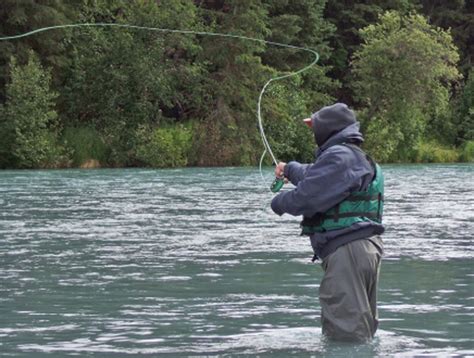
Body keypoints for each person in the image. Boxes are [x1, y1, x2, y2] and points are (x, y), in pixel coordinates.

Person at [270, 103, 385, 342]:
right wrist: (289, 169)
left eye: (316, 128)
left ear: (328, 130)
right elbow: (315, 175)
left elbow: (306, 198)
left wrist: (277, 202)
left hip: (348, 253)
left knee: (346, 336)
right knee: (359, 331)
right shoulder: (350, 156)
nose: (313, 133)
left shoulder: (340, 156)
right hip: (361, 249)